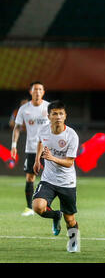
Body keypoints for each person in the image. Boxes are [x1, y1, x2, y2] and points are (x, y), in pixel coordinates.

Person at [32, 100, 80, 253]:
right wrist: (37, 160)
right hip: (48, 179)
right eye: (54, 114)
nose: (58, 116)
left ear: (65, 116)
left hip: (67, 182)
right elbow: (40, 141)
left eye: (61, 113)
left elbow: (69, 163)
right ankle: (55, 215)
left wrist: (52, 158)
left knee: (70, 219)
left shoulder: (71, 135)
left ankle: (73, 242)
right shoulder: (44, 130)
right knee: (38, 207)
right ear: (49, 116)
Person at [11, 82, 50, 216]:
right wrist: (14, 145)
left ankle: (48, 205)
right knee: (30, 177)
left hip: (48, 149)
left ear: (43, 92)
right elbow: (17, 127)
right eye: (35, 89)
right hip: (32, 148)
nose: (37, 92)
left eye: (40, 89)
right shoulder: (24, 109)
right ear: (30, 91)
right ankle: (29, 208)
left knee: (52, 178)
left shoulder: (49, 107)